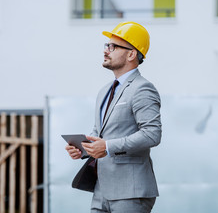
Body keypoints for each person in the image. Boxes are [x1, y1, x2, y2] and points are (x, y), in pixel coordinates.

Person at [65, 21, 162, 213]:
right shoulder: (104, 91)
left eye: (113, 46)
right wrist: (83, 149)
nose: (106, 50)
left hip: (131, 191)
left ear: (131, 54)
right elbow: (99, 134)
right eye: (106, 46)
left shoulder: (142, 88)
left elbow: (152, 135)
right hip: (101, 188)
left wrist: (107, 147)